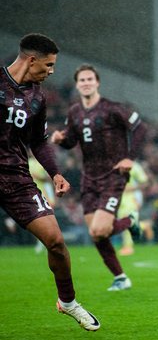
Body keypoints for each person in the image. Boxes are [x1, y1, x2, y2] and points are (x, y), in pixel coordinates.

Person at [1, 34, 99, 331]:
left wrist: (55, 172)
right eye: (49, 64)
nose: (52, 71)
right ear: (31, 60)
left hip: (16, 178)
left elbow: (40, 142)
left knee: (56, 242)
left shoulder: (37, 97)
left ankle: (67, 302)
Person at [51, 64, 147, 290]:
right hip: (88, 179)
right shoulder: (74, 112)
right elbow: (71, 142)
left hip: (113, 176)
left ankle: (131, 219)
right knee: (97, 235)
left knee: (99, 230)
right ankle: (121, 278)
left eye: (89, 79)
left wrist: (130, 157)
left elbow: (140, 129)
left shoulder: (113, 108)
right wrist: (59, 140)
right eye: (81, 80)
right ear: (77, 85)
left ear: (97, 82)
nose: (85, 83)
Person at [116, 161, 149, 255]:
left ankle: (128, 247)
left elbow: (145, 182)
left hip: (130, 198)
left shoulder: (134, 166)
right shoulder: (114, 164)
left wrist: (133, 188)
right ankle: (144, 226)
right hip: (118, 199)